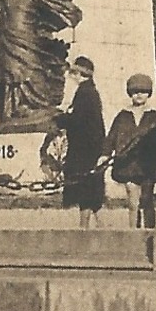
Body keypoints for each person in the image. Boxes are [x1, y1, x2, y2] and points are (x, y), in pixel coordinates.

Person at [106, 73, 156, 229]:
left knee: (147, 200)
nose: (139, 95)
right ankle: (133, 234)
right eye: (135, 91)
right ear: (130, 93)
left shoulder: (154, 117)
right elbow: (111, 137)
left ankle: (149, 234)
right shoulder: (122, 116)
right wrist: (105, 154)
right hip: (128, 165)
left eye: (143, 91)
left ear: (149, 94)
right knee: (133, 203)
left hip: (148, 166)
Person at [55, 56, 107, 228]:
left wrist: (60, 118)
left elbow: (77, 120)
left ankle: (86, 226)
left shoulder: (85, 93)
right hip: (90, 148)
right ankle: (98, 223)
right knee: (91, 188)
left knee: (84, 188)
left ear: (79, 74)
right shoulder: (90, 92)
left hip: (84, 150)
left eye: (73, 73)